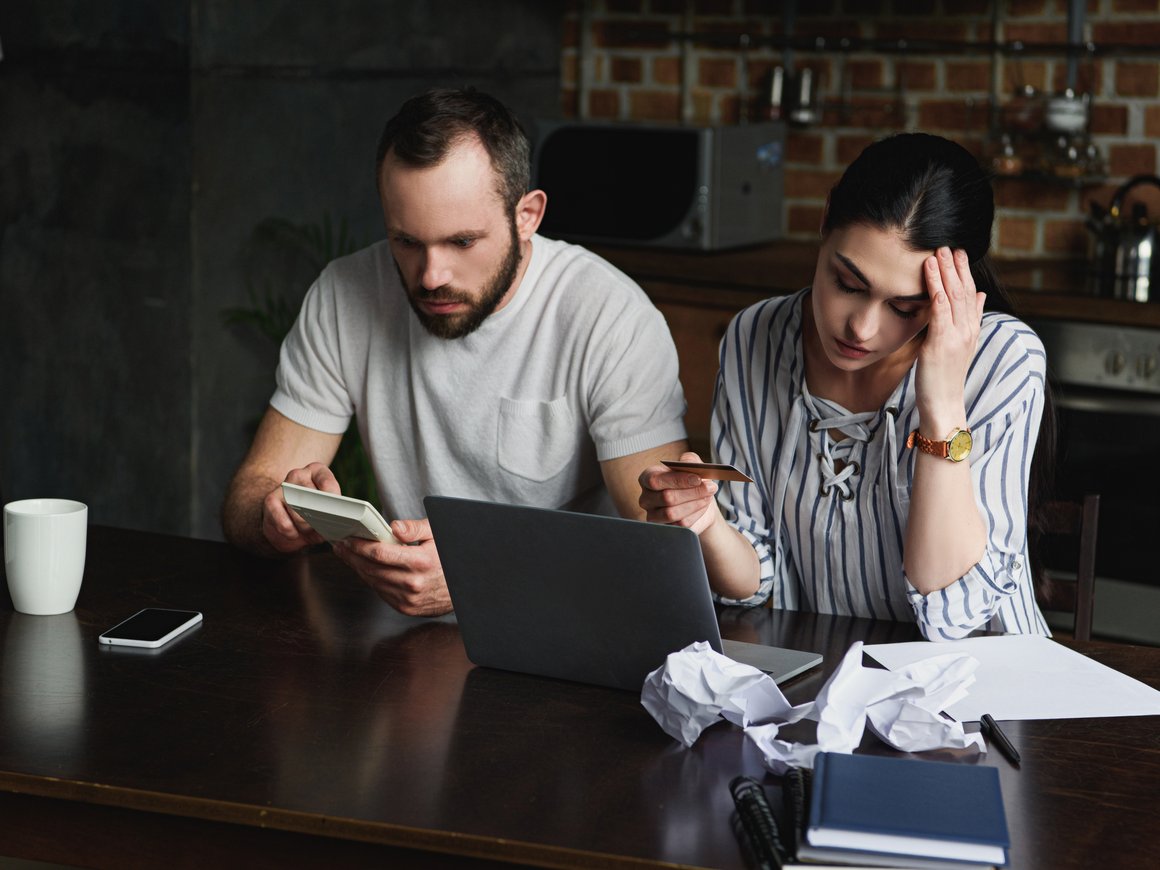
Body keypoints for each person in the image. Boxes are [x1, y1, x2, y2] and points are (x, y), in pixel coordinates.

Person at [222, 88, 688, 616]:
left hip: (565, 623)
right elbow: (247, 495)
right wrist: (274, 517)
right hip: (405, 638)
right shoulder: (344, 293)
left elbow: (662, 550)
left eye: (462, 242)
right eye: (407, 242)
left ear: (527, 215)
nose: (431, 276)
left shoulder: (609, 315)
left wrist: (481, 571)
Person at [639, 132, 1051, 641]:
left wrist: (942, 400)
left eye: (904, 308)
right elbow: (753, 583)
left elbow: (955, 616)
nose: (862, 328)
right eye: (848, 284)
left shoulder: (1002, 360)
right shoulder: (756, 337)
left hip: (982, 694)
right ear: (825, 216)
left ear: (954, 289)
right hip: (821, 679)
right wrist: (704, 523)